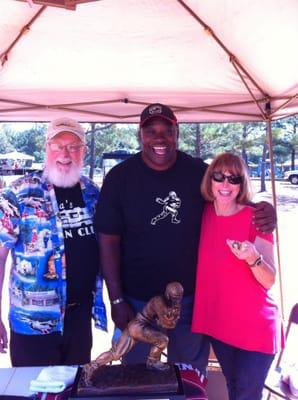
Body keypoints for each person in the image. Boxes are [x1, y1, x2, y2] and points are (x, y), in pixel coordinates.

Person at [96, 102, 276, 373]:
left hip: (189, 302)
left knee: (189, 378)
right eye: (151, 131)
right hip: (136, 302)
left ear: (176, 132)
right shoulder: (120, 177)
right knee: (136, 378)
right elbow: (107, 241)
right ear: (140, 134)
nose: (159, 138)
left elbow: (228, 195)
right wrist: (117, 300)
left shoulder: (196, 172)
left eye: (166, 131)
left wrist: (264, 209)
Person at [0, 117, 106, 366]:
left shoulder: (92, 193)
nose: (65, 154)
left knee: (74, 387)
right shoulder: (19, 192)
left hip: (79, 319)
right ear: (46, 147)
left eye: (73, 146)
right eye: (58, 145)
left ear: (84, 151)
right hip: (32, 323)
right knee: (33, 391)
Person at [192, 152, 284, 400]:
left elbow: (269, 280)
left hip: (254, 327)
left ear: (242, 184)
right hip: (220, 324)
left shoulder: (256, 218)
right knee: (233, 387)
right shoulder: (202, 215)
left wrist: (253, 258)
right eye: (218, 176)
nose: (225, 185)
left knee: (245, 394)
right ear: (209, 180)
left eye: (233, 179)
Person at [91, 282, 184, 372]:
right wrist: (173, 316)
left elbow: (167, 323)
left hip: (137, 325)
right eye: (175, 298)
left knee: (116, 353)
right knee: (163, 340)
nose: (177, 301)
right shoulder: (159, 302)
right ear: (167, 294)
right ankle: (152, 361)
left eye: (179, 298)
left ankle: (93, 366)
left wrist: (172, 315)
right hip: (138, 326)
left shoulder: (170, 304)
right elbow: (166, 324)